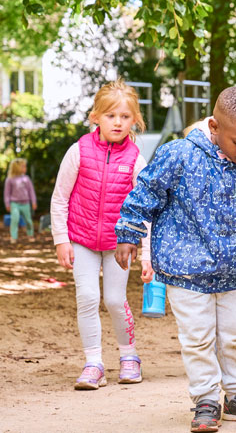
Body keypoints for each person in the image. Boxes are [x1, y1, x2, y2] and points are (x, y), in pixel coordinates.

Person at [113, 86, 236, 432]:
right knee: (198, 337)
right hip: (186, 270)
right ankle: (206, 399)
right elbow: (144, 192)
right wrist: (129, 232)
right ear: (214, 126)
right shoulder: (178, 155)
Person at [50, 79, 153, 390]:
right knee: (87, 297)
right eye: (110, 116)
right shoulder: (78, 151)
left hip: (119, 245)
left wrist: (146, 254)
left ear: (134, 119)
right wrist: (61, 239)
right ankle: (93, 362)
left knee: (113, 299)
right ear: (96, 116)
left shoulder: (136, 159)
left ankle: (129, 356)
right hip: (81, 239)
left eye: (124, 116)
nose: (118, 122)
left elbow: (145, 209)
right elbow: (60, 198)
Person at [4, 158, 37, 244]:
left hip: (25, 203)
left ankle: (30, 234)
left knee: (28, 220)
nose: (25, 168)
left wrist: (33, 201)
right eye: (23, 166)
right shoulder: (10, 179)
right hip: (14, 203)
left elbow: (31, 191)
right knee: (15, 219)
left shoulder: (26, 178)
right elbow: (7, 193)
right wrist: (7, 204)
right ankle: (13, 237)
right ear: (17, 168)